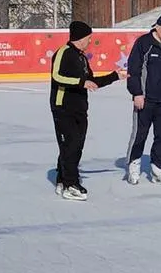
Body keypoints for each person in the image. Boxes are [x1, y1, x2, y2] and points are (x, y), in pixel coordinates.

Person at [50, 20, 125, 200]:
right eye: (88, 38)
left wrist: (115, 76)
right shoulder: (63, 53)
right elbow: (57, 76)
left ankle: (62, 179)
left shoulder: (82, 57)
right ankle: (70, 184)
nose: (90, 41)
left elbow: (92, 82)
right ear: (80, 37)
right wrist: (80, 82)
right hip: (63, 107)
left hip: (80, 108)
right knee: (71, 145)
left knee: (76, 146)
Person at [125, 12, 161, 185]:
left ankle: (157, 166)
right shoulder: (143, 44)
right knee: (140, 134)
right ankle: (134, 164)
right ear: (157, 27)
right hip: (145, 99)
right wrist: (137, 93)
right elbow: (133, 70)